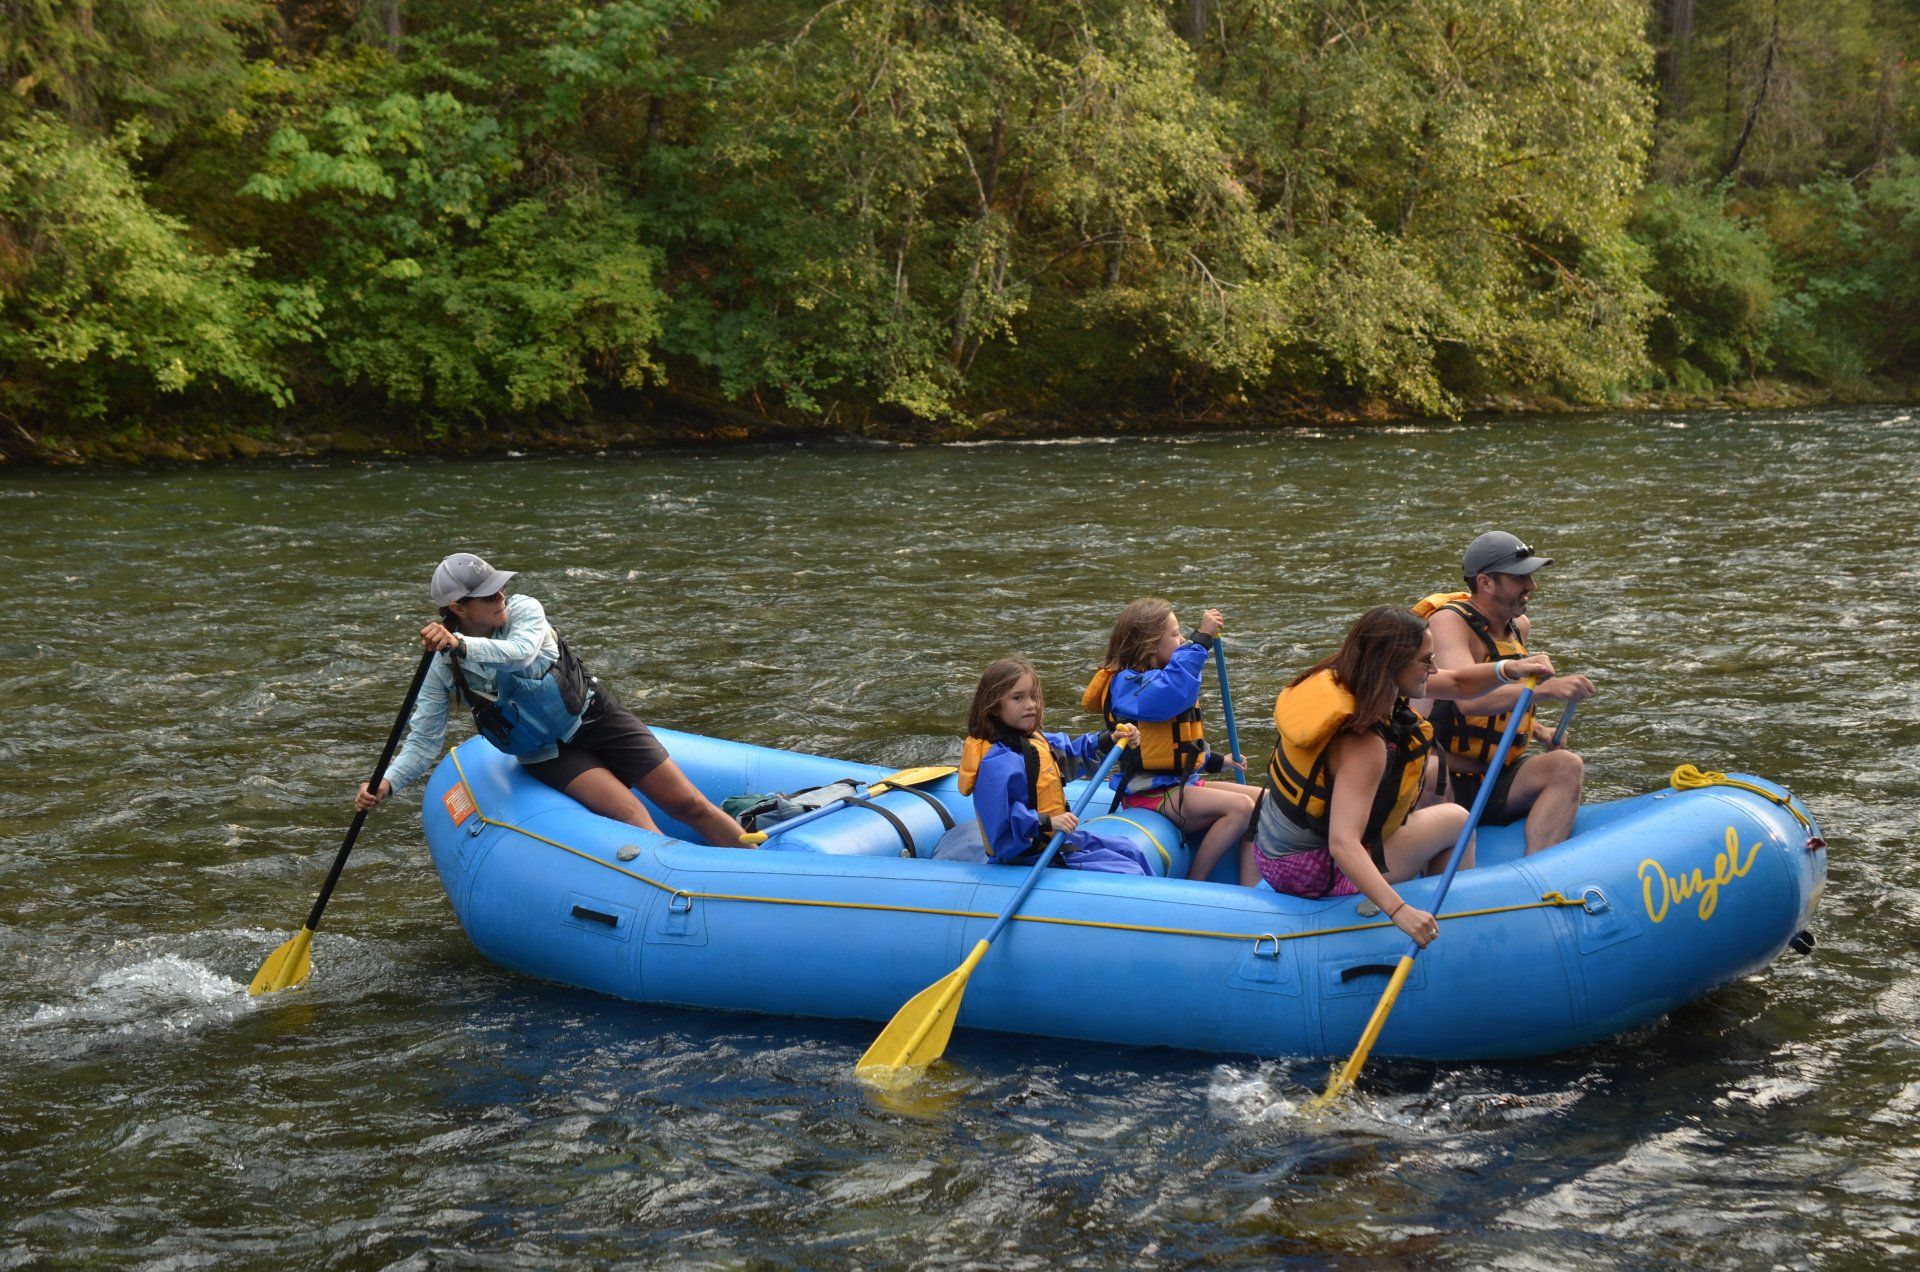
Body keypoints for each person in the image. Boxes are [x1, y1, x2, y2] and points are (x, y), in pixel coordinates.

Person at [355, 552, 748, 847]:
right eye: (488, 595)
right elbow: (424, 740)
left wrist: (460, 643)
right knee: (630, 815)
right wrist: (387, 783)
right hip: (548, 753)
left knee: (689, 803)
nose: (501, 596)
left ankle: (756, 865)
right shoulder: (441, 665)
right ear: (459, 607)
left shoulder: (525, 610)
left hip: (595, 717)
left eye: (500, 587)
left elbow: (520, 654)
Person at [1254, 605, 1555, 947]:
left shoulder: (1350, 679)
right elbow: (1342, 843)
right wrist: (1399, 911)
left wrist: (1509, 669)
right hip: (1311, 872)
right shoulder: (1363, 744)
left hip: (1275, 854)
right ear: (1392, 663)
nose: (1435, 668)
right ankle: (1457, 931)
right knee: (1456, 821)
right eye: (1426, 661)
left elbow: (1456, 682)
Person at [1413, 532, 1597, 854]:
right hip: (1445, 775)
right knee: (1430, 771)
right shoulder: (1447, 623)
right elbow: (1468, 700)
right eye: (1520, 577)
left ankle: (1540, 870)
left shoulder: (1519, 625)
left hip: (1494, 773)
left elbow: (1501, 695)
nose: (1532, 585)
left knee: (1567, 764)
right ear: (1485, 582)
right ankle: (1434, 869)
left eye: (1531, 576)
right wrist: (1546, 690)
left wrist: (1538, 729)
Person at [1081, 599, 1262, 885]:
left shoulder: (1162, 678)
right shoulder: (1127, 685)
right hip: (1150, 793)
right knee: (1241, 807)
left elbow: (1176, 744)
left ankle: (1252, 889)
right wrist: (1201, 641)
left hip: (1179, 784)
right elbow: (1172, 693)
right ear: (1150, 645)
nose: (1182, 639)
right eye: (1176, 634)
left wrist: (1217, 761)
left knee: (1265, 801)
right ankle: (1195, 880)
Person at [959, 658, 1154, 876]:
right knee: (1129, 871)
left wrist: (1110, 739)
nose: (1031, 704)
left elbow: (1070, 752)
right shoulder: (995, 763)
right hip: (1028, 856)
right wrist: (1048, 822)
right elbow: (1002, 820)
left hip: (1055, 842)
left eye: (1033, 696)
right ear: (994, 707)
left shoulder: (1034, 741)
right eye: (1018, 698)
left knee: (1129, 850)